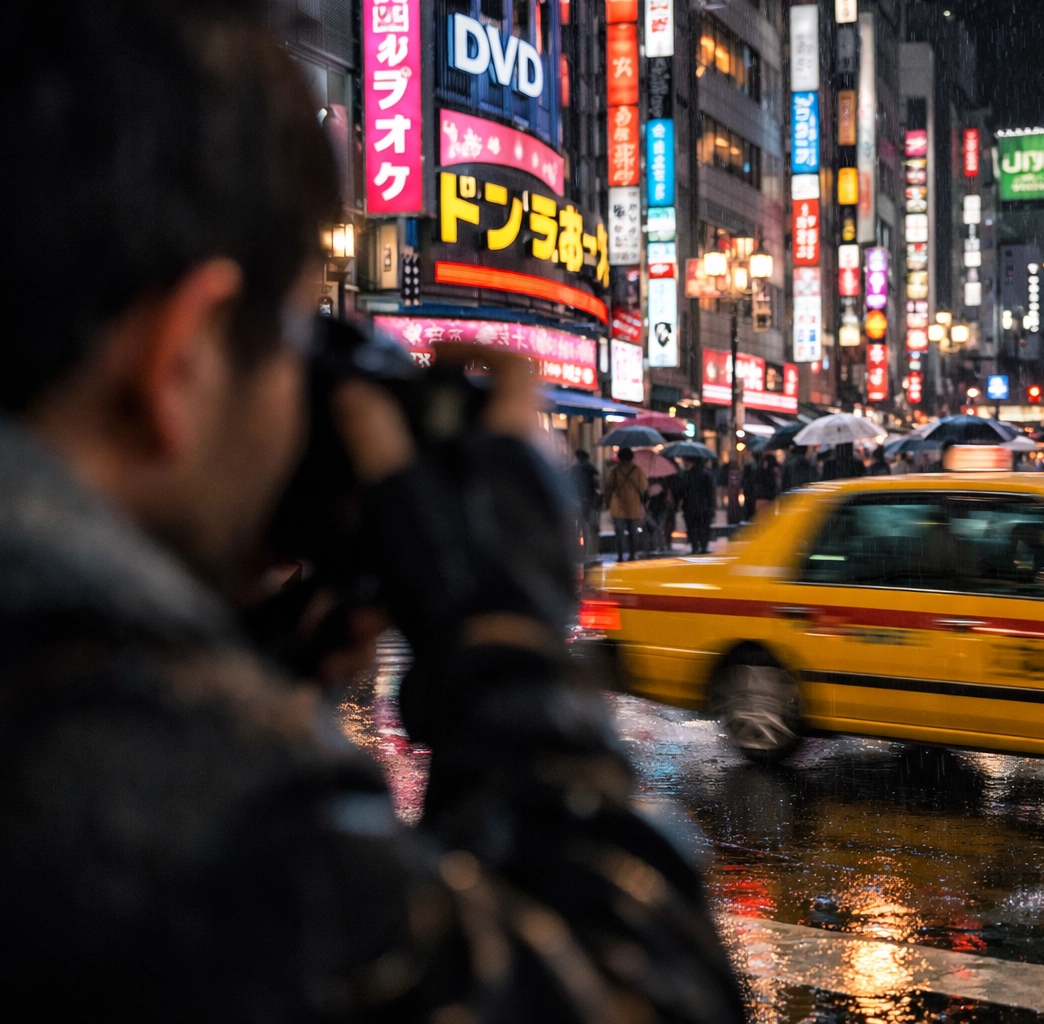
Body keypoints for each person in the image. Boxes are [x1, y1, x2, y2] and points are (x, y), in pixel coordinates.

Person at [0, 3, 743, 1021]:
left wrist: (239, 668)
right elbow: (646, 997)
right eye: (294, 342)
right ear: (182, 358)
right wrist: (504, 639)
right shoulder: (182, 814)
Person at [604, 446, 648, 560]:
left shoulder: (614, 471)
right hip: (633, 505)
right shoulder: (637, 470)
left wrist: (607, 503)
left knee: (619, 534)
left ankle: (620, 555)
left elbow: (608, 488)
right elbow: (643, 486)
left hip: (618, 505)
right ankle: (632, 555)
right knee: (633, 533)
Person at [678, 457, 717, 553]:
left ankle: (695, 546)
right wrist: (711, 507)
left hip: (690, 507)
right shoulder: (707, 475)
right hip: (704, 507)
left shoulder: (686, 475)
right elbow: (711, 493)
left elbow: (681, 491)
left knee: (692, 529)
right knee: (703, 528)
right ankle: (703, 546)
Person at [569, 448, 600, 563]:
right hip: (590, 503)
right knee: (588, 529)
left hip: (578, 502)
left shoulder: (574, 469)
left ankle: (579, 553)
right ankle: (588, 552)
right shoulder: (592, 468)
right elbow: (596, 486)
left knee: (578, 529)